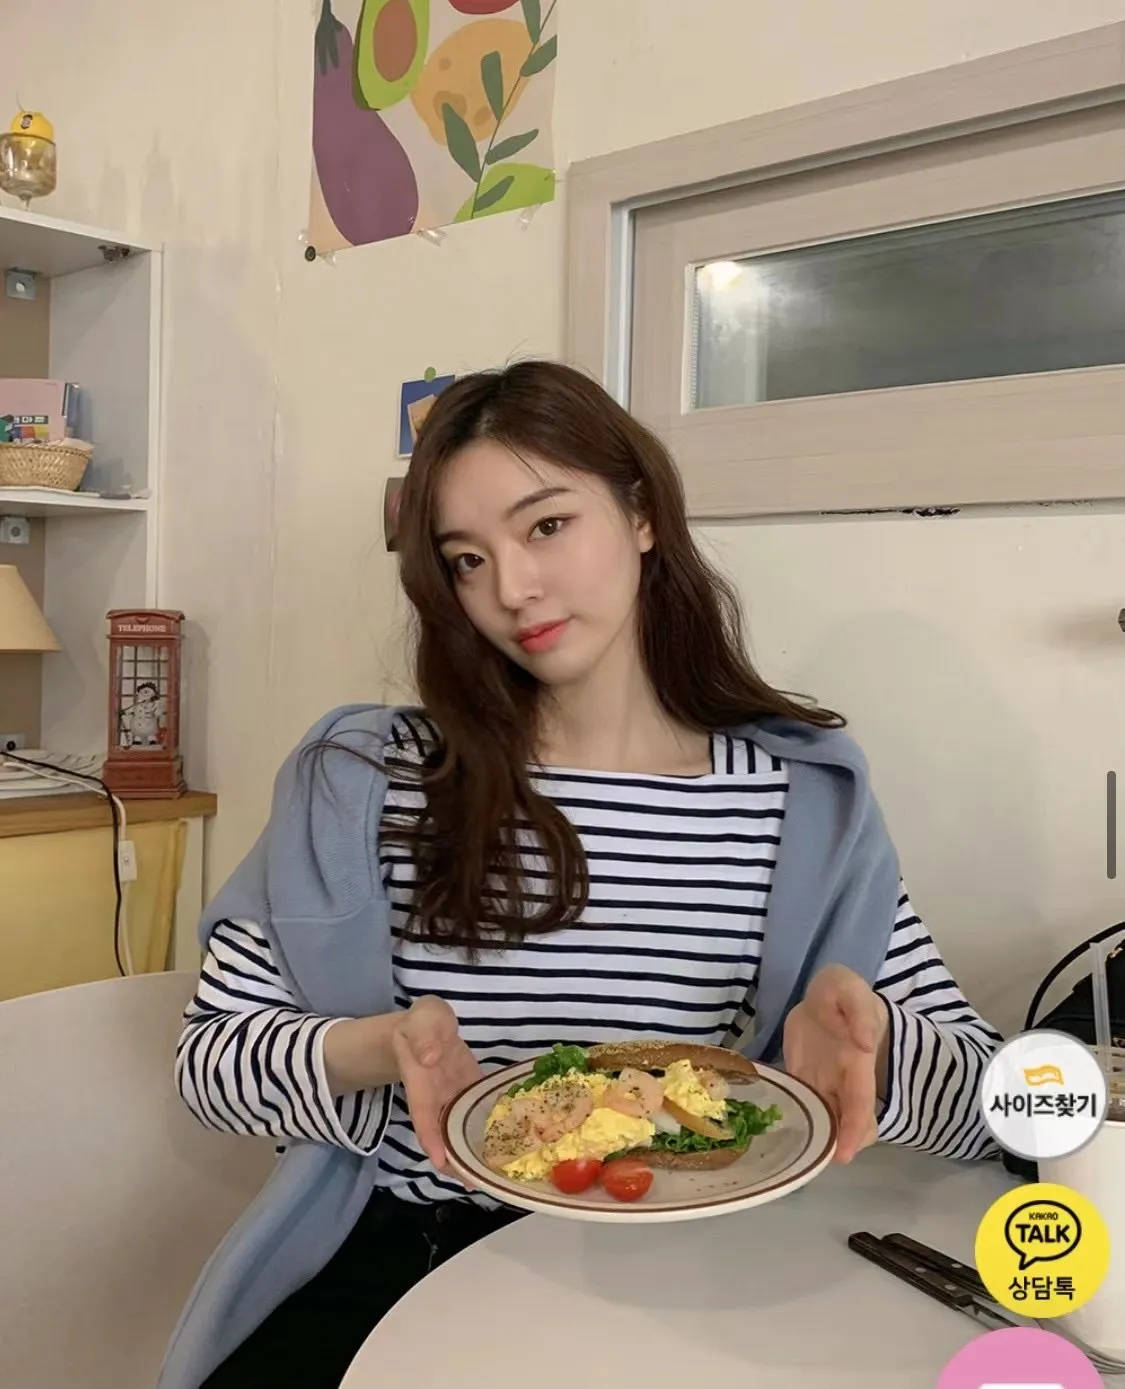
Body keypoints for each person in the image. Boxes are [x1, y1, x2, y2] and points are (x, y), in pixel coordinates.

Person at [159, 360, 1002, 1389]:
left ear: (641, 514)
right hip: (407, 1263)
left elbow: (995, 1112)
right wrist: (378, 1048)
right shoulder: (368, 780)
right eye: (466, 560)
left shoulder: (800, 803)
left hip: (680, 1286)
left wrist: (879, 1056)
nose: (510, 590)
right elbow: (210, 1065)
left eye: (547, 525)